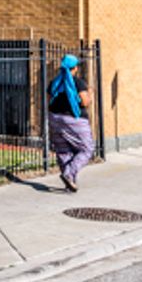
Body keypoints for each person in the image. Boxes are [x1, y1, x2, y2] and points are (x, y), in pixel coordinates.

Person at [46, 52, 94, 192]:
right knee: (87, 149)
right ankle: (69, 174)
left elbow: (49, 100)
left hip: (55, 119)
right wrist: (90, 94)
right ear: (75, 68)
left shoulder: (54, 83)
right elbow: (85, 102)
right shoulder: (78, 83)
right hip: (74, 120)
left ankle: (70, 182)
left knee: (63, 150)